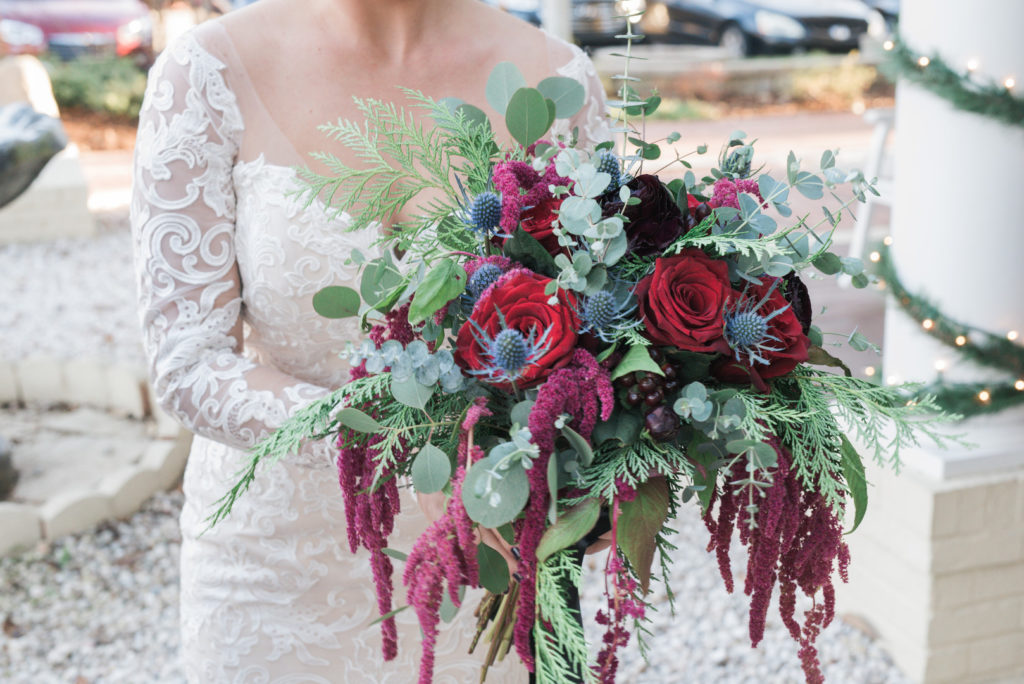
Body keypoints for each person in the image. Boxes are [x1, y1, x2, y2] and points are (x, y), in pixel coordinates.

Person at [130, 0, 610, 681]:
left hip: (490, 575)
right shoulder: (208, 72)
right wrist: (395, 441)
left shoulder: (557, 78)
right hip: (272, 577)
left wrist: (604, 476)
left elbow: (605, 332)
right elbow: (189, 363)